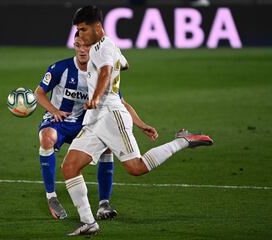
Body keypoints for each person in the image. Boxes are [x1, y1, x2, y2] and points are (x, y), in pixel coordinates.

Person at [61, 5, 214, 236]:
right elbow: (124, 63)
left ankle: (183, 141)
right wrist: (120, 65)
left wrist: (95, 96)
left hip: (111, 113)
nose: (80, 35)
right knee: (70, 166)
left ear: (97, 27)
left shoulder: (103, 48)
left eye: (83, 30)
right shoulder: (106, 47)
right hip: (94, 120)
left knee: (136, 167)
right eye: (78, 31)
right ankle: (89, 222)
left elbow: (104, 73)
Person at [36, 32, 131, 220]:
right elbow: (39, 93)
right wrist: (54, 110)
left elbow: (120, 102)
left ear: (94, 48)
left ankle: (104, 204)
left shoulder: (102, 72)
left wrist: (142, 124)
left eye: (86, 46)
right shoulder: (60, 68)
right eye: (77, 45)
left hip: (86, 123)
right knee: (46, 137)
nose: (81, 50)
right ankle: (52, 197)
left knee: (107, 147)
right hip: (60, 122)